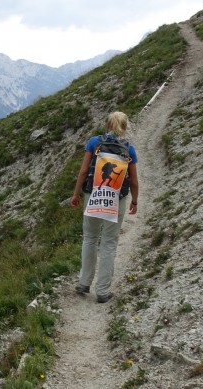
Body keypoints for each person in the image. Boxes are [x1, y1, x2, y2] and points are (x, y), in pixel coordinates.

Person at [70, 111, 139, 303]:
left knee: (90, 238)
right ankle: (102, 291)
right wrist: (134, 201)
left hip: (93, 195)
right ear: (124, 127)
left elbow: (84, 171)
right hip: (116, 199)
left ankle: (84, 283)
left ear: (107, 125)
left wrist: (76, 194)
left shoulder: (94, 143)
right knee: (109, 242)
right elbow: (133, 181)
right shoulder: (129, 150)